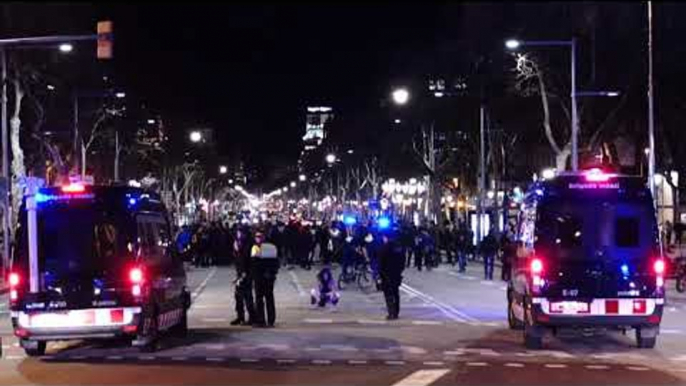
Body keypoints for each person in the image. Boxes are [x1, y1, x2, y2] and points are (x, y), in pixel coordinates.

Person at [251, 231, 280, 328]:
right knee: (268, 298)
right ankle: (268, 320)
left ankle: (262, 320)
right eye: (256, 236)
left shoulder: (256, 248)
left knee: (262, 298)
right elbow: (276, 263)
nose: (257, 238)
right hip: (267, 277)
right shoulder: (272, 247)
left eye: (259, 236)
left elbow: (254, 263)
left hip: (261, 277)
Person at [378, 224, 405, 320]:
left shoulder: (385, 247)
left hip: (387, 274)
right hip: (396, 273)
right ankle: (396, 311)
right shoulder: (399, 246)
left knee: (388, 293)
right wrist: (400, 269)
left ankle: (391, 312)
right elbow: (403, 259)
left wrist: (380, 273)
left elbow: (381, 261)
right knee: (396, 292)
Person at [231, 226, 255, 326]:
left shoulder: (249, 244)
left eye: (240, 232)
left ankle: (252, 317)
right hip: (240, 272)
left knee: (247, 295)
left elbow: (246, 259)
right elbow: (237, 259)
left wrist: (238, 250)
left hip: (247, 273)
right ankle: (240, 316)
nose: (238, 234)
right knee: (238, 295)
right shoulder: (239, 243)